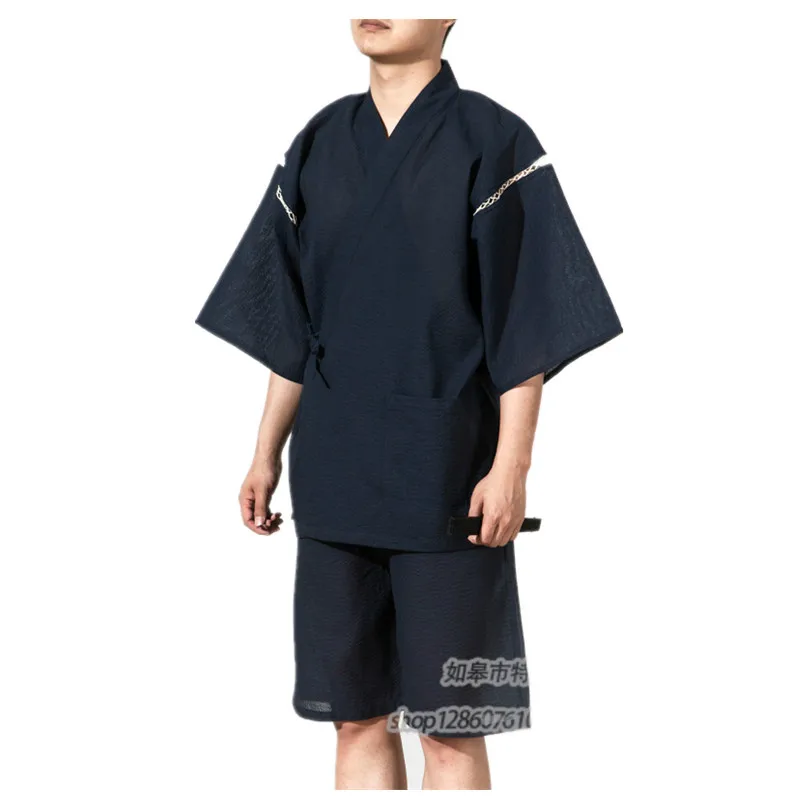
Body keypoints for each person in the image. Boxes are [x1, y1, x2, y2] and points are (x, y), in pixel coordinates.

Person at [196, 18, 622, 790]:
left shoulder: (494, 140)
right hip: (335, 477)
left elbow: (524, 320)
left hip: (448, 480)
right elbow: (293, 325)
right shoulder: (320, 142)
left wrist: (512, 466)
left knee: (451, 727)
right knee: (355, 717)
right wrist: (264, 455)